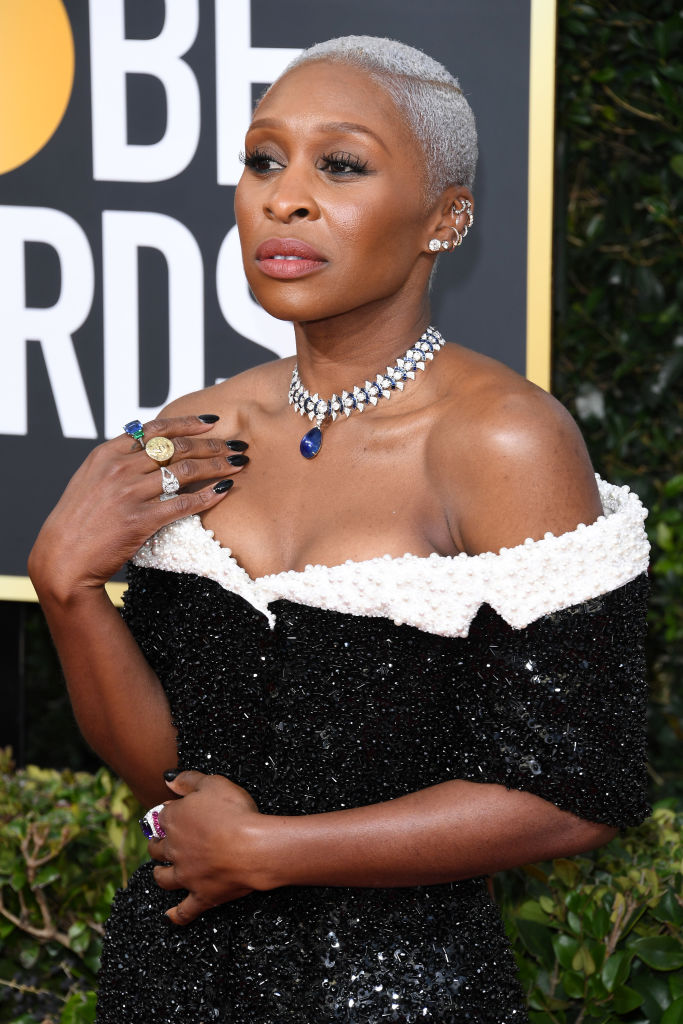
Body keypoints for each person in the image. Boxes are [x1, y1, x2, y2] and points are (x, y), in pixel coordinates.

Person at [29, 35, 651, 1024]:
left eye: (341, 164)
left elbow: (577, 789)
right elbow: (173, 771)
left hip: (400, 995)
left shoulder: (503, 441)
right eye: (264, 160)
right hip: (170, 983)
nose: (285, 197)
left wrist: (272, 850)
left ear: (444, 218)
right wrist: (68, 590)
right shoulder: (196, 432)